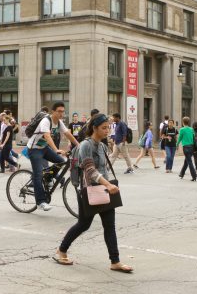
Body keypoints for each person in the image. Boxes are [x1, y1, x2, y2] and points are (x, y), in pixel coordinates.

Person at [55, 113, 133, 273]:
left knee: (109, 226)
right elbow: (90, 171)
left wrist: (109, 185)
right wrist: (107, 184)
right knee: (83, 224)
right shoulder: (85, 145)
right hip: (89, 191)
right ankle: (61, 251)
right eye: (104, 128)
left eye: (108, 128)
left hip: (105, 191)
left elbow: (104, 169)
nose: (107, 131)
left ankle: (115, 261)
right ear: (94, 128)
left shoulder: (103, 146)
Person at [27, 102, 79, 211]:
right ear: (53, 112)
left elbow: (68, 134)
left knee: (61, 161)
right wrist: (56, 150)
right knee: (38, 175)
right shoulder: (46, 121)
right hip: (34, 149)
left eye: (63, 111)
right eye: (59, 111)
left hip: (44, 148)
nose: (61, 114)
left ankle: (48, 177)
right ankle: (41, 202)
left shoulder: (59, 123)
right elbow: (47, 136)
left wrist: (79, 145)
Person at [176, 117, 197, 181]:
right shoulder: (191, 129)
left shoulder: (182, 129)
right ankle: (181, 173)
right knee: (187, 161)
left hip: (185, 147)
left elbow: (179, 138)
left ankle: (194, 176)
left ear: (183, 122)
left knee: (189, 162)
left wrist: (176, 145)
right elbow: (193, 138)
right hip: (191, 147)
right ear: (188, 122)